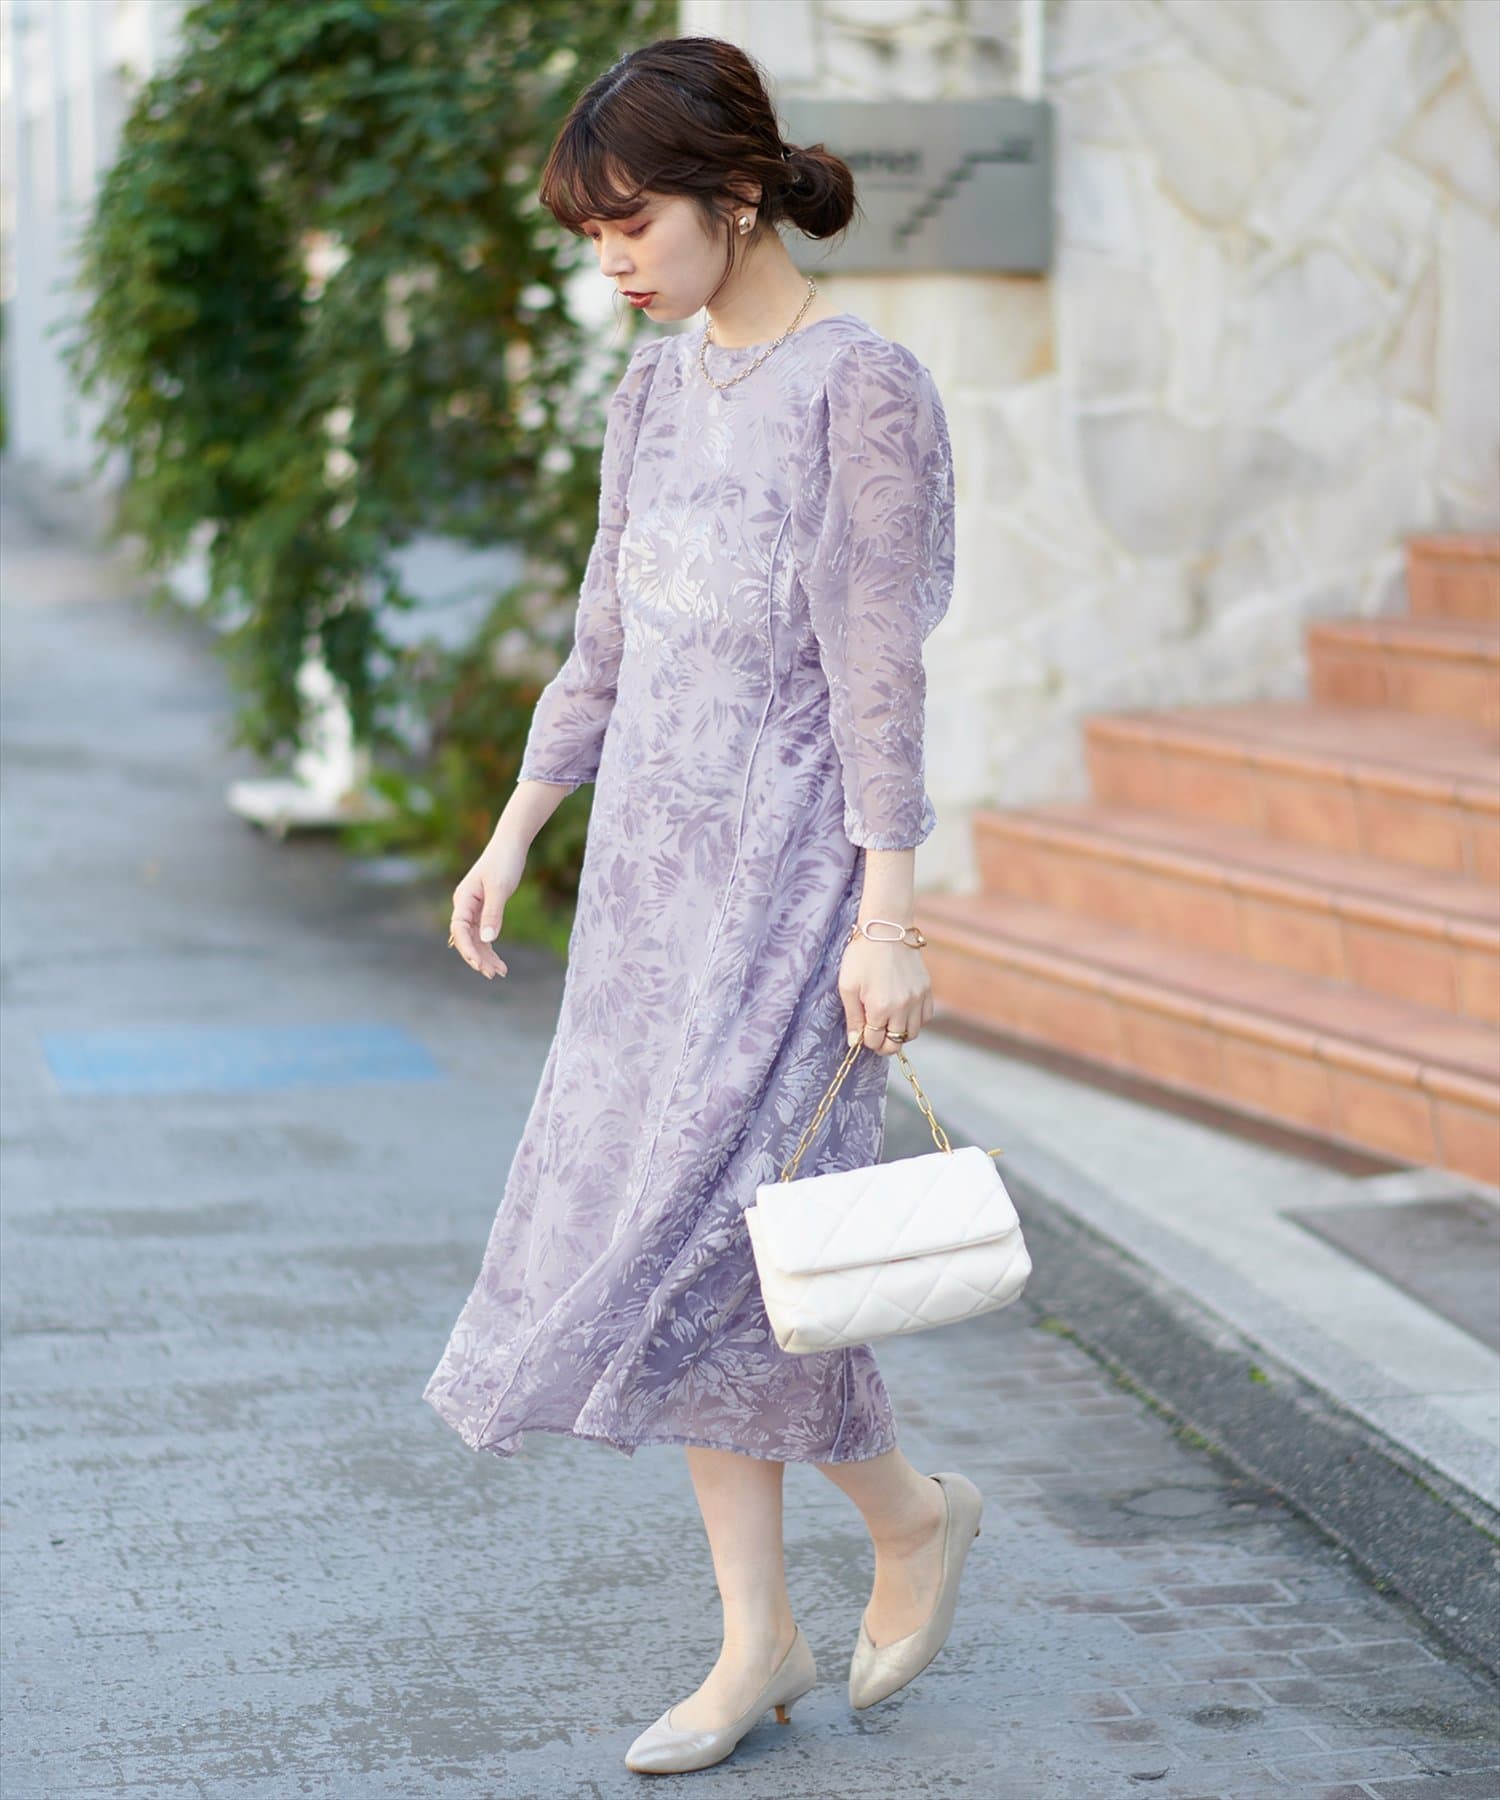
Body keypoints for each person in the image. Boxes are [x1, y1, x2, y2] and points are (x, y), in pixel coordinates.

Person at [422, 34, 982, 1776]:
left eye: (632, 224)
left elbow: (879, 671)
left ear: (736, 194)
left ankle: (905, 1517)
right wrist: (516, 828)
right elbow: (605, 637)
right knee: (685, 1262)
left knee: (730, 1254)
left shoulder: (860, 388)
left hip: (795, 887)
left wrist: (889, 916)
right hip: (650, 889)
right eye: (592, 237)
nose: (613, 263)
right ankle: (764, 1635)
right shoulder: (653, 396)